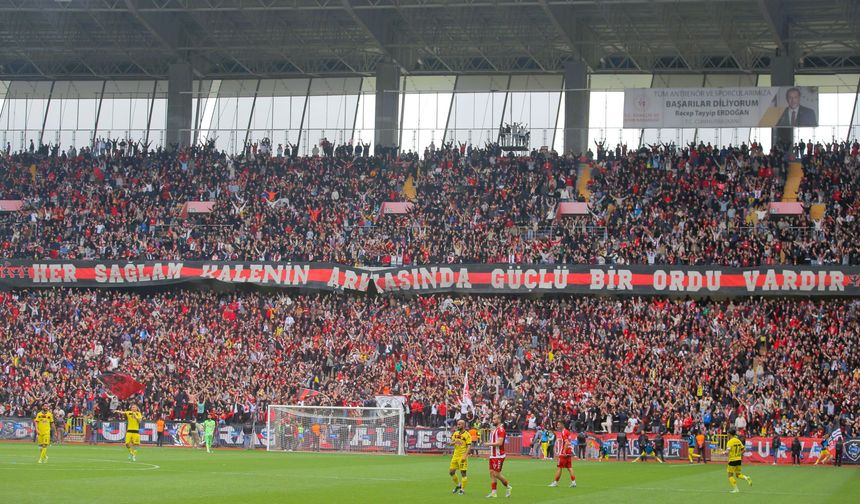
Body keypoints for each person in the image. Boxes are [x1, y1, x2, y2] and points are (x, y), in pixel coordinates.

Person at [485, 414, 511, 499]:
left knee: (496, 473)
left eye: (494, 419)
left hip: (499, 455)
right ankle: (493, 493)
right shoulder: (494, 430)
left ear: (499, 420)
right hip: (493, 455)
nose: (493, 420)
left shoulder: (501, 430)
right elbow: (494, 441)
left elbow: (499, 443)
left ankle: (508, 486)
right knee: (491, 473)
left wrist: (488, 444)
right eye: (493, 419)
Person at [548, 420, 576, 488]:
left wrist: (564, 451)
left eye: (559, 425)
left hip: (564, 452)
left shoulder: (563, 432)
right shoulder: (567, 431)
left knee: (559, 467)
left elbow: (566, 442)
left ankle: (555, 483)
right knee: (569, 468)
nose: (557, 426)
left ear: (562, 425)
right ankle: (573, 482)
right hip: (569, 452)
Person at [448, 419, 471, 495]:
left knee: (463, 473)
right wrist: (455, 442)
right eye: (457, 424)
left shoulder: (467, 435)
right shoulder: (455, 433)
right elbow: (450, 443)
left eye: (459, 424)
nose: (458, 426)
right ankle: (458, 485)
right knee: (451, 472)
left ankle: (462, 490)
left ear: (463, 425)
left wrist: (465, 455)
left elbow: (469, 446)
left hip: (462, 455)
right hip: (455, 455)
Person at [726, 428, 752, 493]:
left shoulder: (730, 442)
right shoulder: (738, 440)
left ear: (730, 434)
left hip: (732, 460)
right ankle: (747, 478)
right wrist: (739, 454)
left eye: (728, 432)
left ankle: (736, 489)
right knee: (738, 474)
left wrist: (724, 452)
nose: (727, 434)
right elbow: (744, 449)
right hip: (738, 459)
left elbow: (728, 451)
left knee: (730, 476)